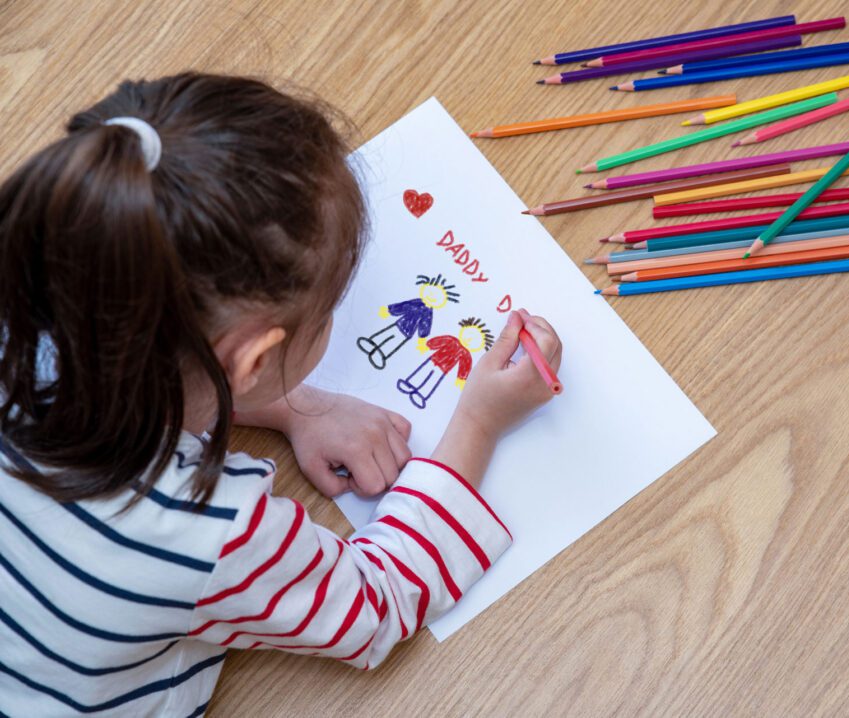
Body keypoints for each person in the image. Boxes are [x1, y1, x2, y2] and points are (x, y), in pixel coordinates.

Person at [0, 73, 561, 717]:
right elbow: (376, 602)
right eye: (327, 319)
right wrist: (481, 421)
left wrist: (292, 405)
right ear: (254, 359)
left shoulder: (30, 286)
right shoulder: (211, 532)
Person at [397, 317, 494, 409]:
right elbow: (438, 342)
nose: (469, 339)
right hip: (432, 360)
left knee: (432, 381)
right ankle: (410, 384)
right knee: (422, 372)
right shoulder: (451, 339)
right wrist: (427, 346)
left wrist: (461, 378)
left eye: (474, 340)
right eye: (469, 335)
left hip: (443, 369)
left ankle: (422, 395)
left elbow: (464, 367)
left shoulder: (466, 355)